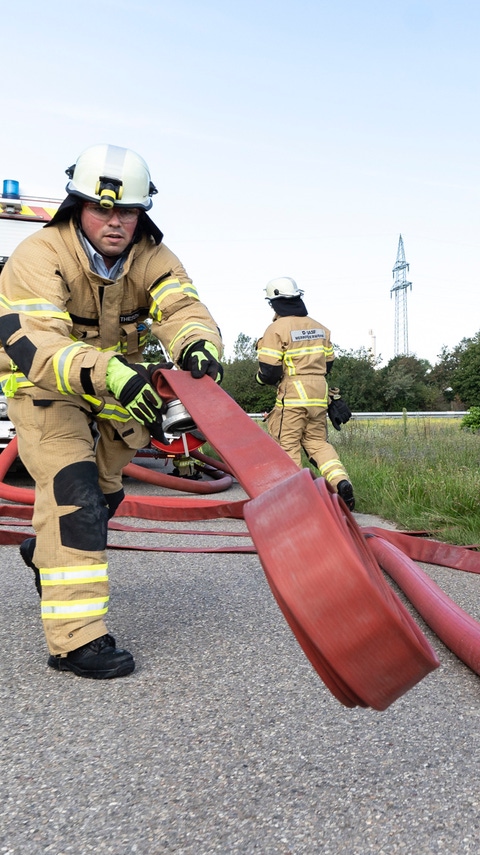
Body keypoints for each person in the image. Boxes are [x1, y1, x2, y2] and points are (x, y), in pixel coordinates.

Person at [0, 144, 223, 679]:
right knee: (75, 497)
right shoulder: (39, 254)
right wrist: (112, 374)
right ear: (77, 205)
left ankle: (45, 548)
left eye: (128, 210)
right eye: (103, 209)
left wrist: (197, 344)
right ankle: (77, 640)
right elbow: (38, 345)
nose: (116, 221)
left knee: (102, 497)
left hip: (115, 390)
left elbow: (182, 308)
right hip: (44, 388)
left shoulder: (153, 257)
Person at [255, 276, 355, 509]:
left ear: (274, 302)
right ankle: (341, 482)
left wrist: (259, 379)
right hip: (319, 395)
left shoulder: (276, 329)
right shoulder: (320, 328)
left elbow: (268, 372)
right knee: (318, 444)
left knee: (287, 446)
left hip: (292, 396)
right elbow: (328, 365)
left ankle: (294, 502)